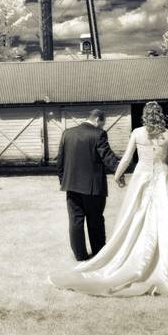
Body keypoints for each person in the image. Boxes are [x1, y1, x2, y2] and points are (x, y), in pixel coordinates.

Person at [48, 102, 168, 296]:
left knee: (134, 216)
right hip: (162, 177)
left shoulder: (137, 133)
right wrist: (163, 168)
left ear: (145, 115)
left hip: (139, 177)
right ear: (160, 115)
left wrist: (117, 175)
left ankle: (101, 256)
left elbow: (127, 158)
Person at [56, 108, 122, 262]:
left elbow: (60, 160)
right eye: (102, 124)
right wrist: (120, 171)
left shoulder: (67, 133)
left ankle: (80, 255)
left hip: (71, 185)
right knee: (95, 220)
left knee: (75, 220)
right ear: (98, 119)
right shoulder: (98, 134)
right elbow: (107, 157)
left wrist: (64, 181)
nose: (102, 127)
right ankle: (99, 254)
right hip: (93, 188)